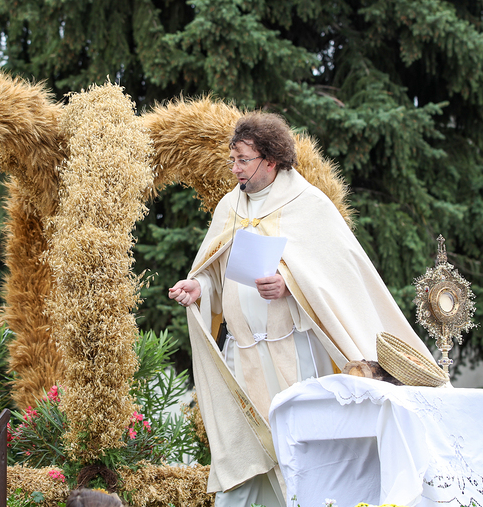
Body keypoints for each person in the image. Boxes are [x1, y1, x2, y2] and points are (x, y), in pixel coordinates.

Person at [168, 112, 433, 507]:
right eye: (233, 159)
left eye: (243, 160)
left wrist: (288, 285)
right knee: (245, 458)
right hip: (243, 356)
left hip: (293, 353)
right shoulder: (229, 207)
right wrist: (199, 287)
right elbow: (216, 275)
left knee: (302, 459)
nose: (235, 168)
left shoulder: (309, 204)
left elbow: (333, 277)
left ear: (272, 160)